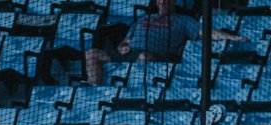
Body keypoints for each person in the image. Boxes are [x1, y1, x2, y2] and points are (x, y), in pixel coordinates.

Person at [84, 0, 243, 85]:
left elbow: (207, 33)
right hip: (130, 54)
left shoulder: (183, 21)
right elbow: (125, 41)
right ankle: (95, 90)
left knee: (144, 56)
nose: (162, 3)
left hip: (157, 56)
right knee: (91, 54)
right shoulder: (144, 19)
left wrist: (233, 37)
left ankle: (137, 89)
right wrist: (122, 47)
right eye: (160, 1)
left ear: (173, 3)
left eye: (166, 1)